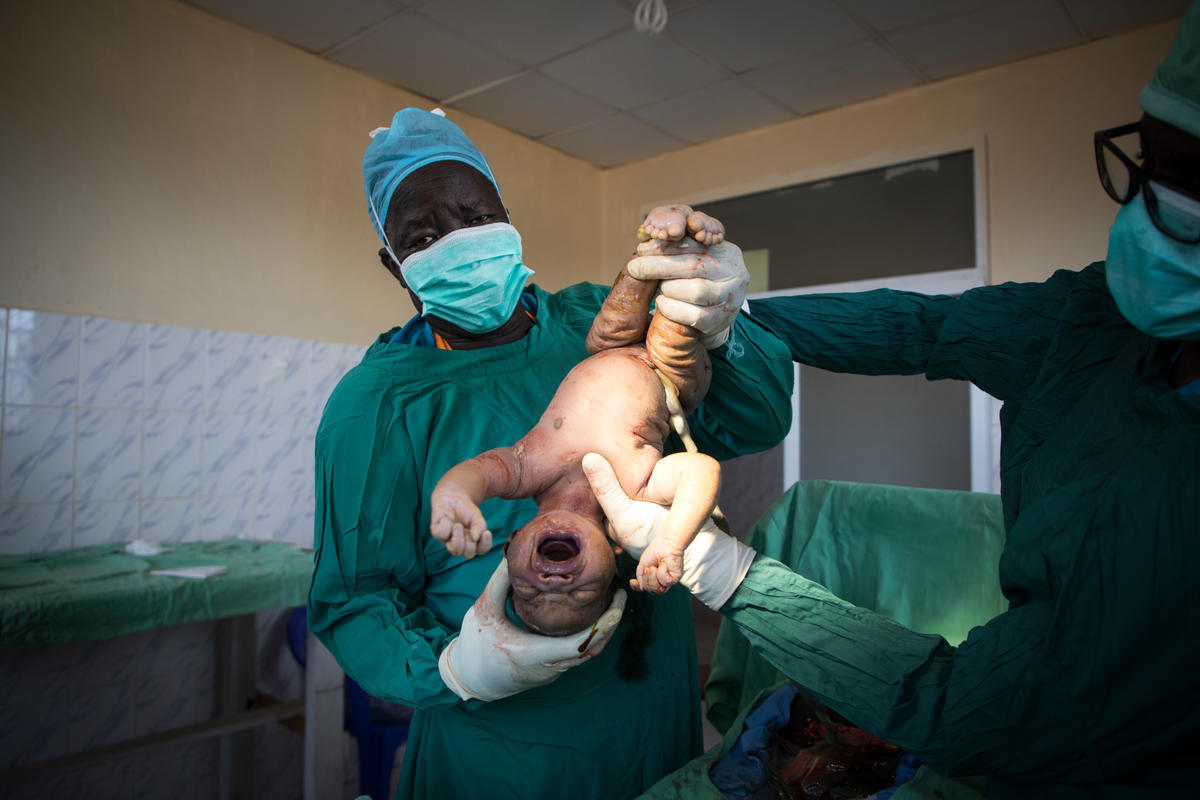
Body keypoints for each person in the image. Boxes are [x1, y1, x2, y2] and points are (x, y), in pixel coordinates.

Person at [584, 6, 1200, 798]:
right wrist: (740, 314)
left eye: (1187, 192)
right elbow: (923, 327)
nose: (1145, 207)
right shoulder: (1095, 320)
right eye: (1148, 162)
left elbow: (972, 711)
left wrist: (726, 572)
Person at [306, 107, 794, 799]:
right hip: (496, 750)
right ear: (396, 266)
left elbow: (755, 420)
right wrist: (454, 669)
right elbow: (353, 600)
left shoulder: (595, 325)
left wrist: (717, 326)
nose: (459, 240)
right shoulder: (381, 405)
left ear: (506, 216)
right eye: (423, 235)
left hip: (649, 717)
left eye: (475, 214)